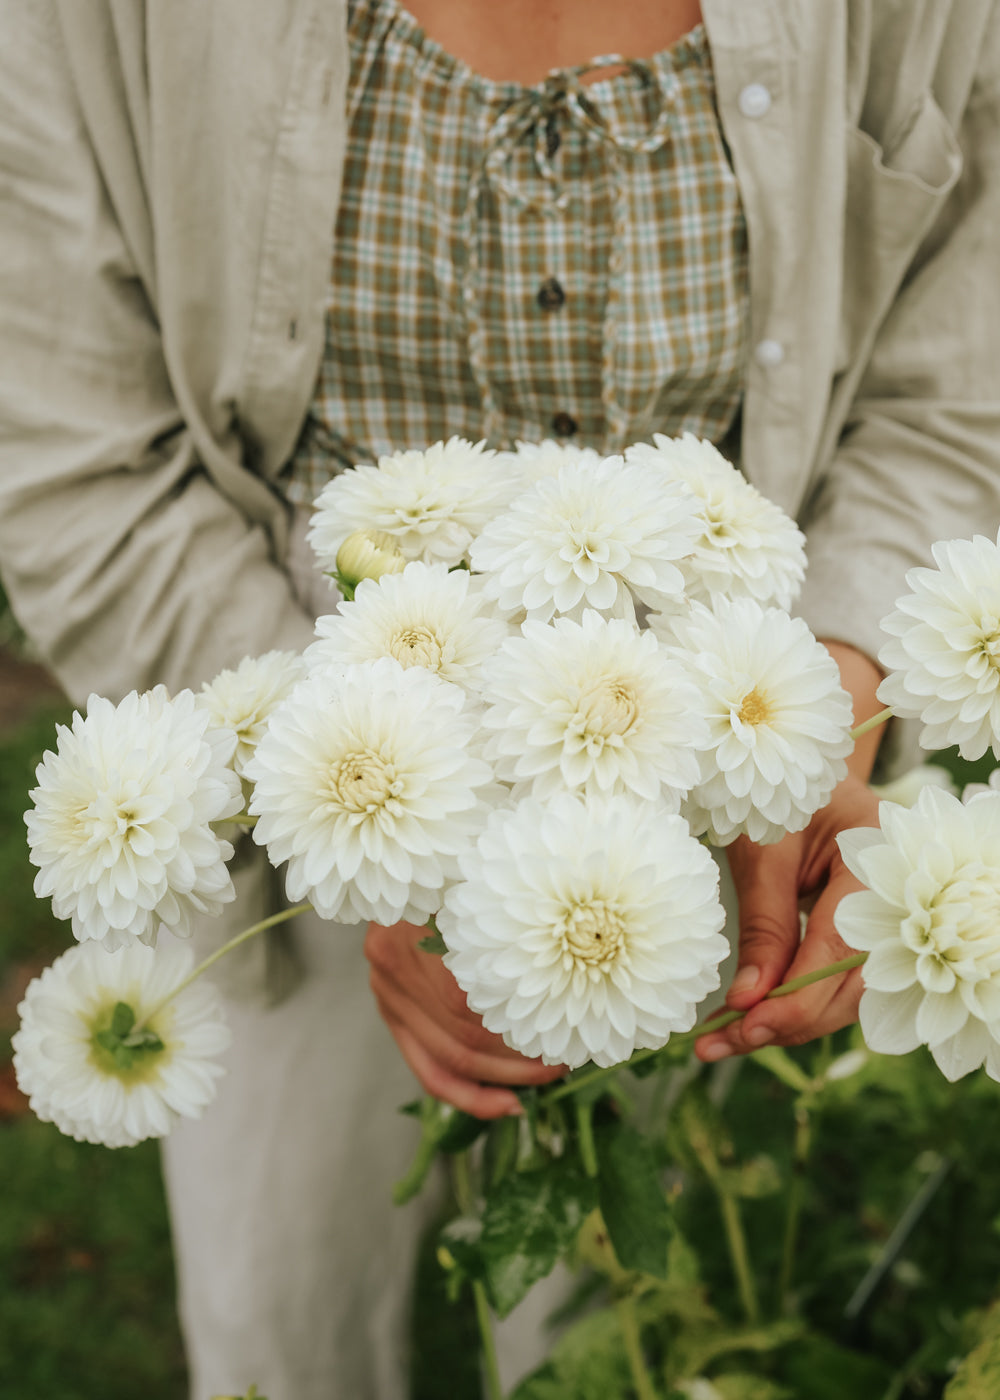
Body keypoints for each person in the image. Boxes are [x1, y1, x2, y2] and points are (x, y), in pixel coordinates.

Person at [1, 2, 999, 1396]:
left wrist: (820, 703)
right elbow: (74, 456)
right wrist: (352, 820)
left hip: (718, 814)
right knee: (283, 1322)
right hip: (274, 783)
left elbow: (956, 377)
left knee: (633, 1326)